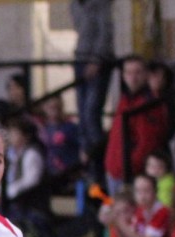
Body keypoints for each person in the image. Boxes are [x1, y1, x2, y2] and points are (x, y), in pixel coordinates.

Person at [104, 56, 169, 194]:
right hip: (114, 170)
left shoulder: (149, 103)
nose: (132, 78)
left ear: (146, 75)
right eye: (128, 72)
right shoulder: (125, 99)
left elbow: (147, 143)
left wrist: (129, 167)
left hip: (130, 174)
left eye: (137, 72)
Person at [71, 0, 114, 172]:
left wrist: (97, 58)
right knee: (82, 113)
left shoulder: (101, 4)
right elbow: (80, 29)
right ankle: (87, 164)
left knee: (91, 113)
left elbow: (106, 31)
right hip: (80, 57)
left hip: (98, 60)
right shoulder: (75, 4)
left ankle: (100, 160)